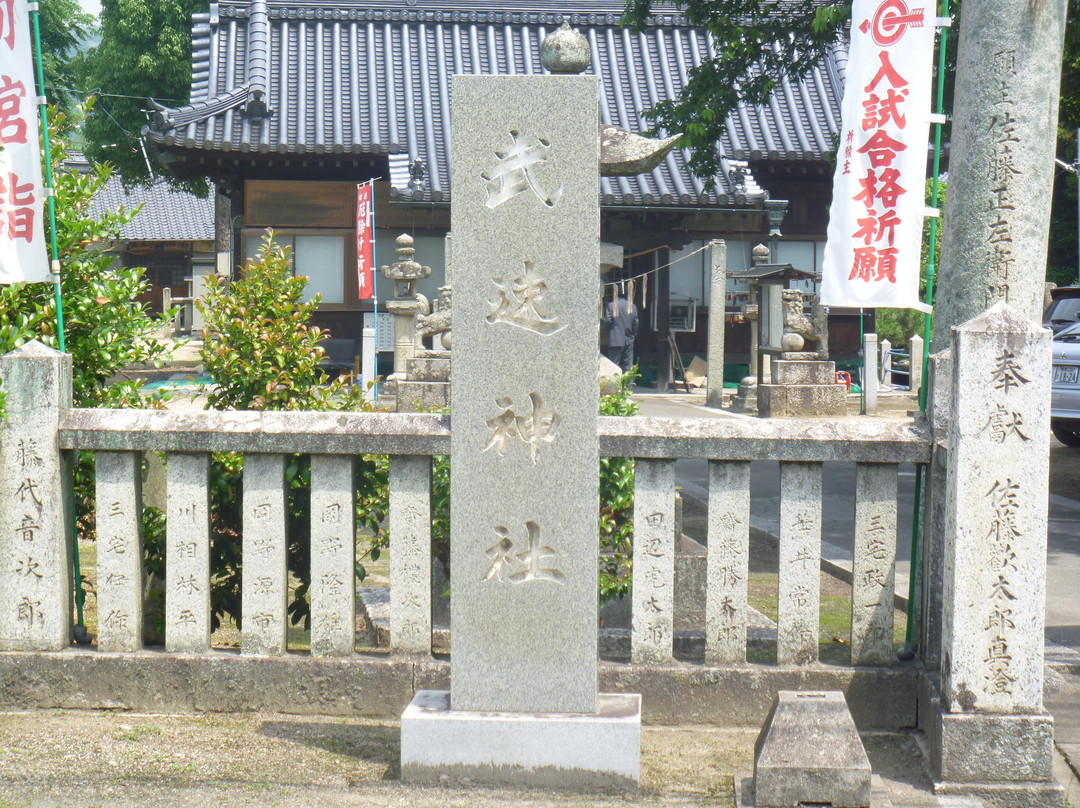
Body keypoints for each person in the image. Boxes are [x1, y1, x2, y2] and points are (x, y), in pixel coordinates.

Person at [603, 294, 638, 374]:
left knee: (613, 364)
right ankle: (629, 382)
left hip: (615, 338)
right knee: (628, 365)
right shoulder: (633, 306)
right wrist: (632, 335)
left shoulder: (611, 306)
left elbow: (607, 321)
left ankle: (615, 381)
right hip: (629, 339)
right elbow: (635, 324)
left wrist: (611, 332)